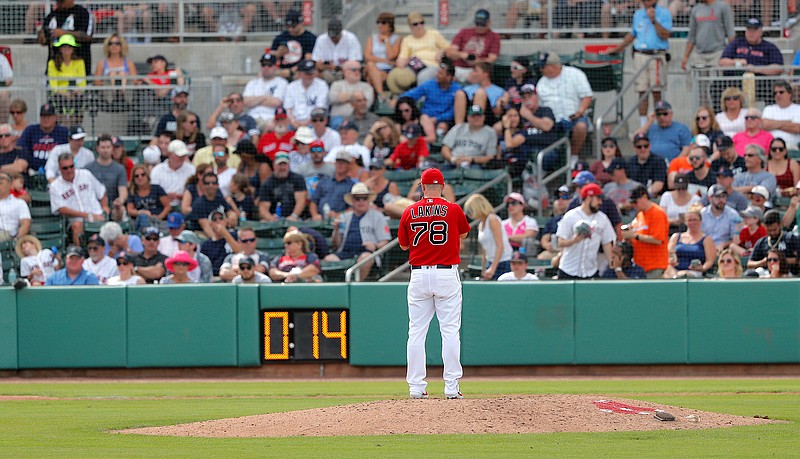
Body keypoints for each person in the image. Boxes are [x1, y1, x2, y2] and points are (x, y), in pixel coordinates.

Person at [398, 167, 470, 399]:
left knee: (416, 332)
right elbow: (463, 234)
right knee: (449, 331)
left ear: (422, 186)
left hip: (419, 274)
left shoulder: (409, 211)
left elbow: (403, 245)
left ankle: (416, 387)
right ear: (442, 185)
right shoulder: (453, 209)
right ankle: (451, 386)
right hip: (446, 273)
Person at [607, 0, 672, 127]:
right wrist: (617, 48)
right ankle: (643, 125)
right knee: (642, 91)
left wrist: (653, 20)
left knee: (657, 91)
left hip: (656, 55)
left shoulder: (664, 13)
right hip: (640, 54)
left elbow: (665, 35)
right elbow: (633, 34)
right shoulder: (638, 14)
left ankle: (658, 123)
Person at [324, 182, 392, 280]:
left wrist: (375, 246)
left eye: (364, 198)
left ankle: (356, 286)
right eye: (357, 198)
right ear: (352, 201)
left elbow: (385, 241)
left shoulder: (378, 216)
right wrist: (336, 230)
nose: (361, 201)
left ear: (368, 200)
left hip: (366, 252)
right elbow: (336, 245)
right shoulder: (344, 217)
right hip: (346, 252)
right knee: (328, 259)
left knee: (365, 258)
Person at [535, 51, 593, 161]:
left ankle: (574, 156)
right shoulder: (541, 83)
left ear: (552, 66)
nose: (540, 70)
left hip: (574, 116)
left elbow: (587, 96)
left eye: (543, 67)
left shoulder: (575, 74)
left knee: (581, 126)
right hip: (553, 121)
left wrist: (579, 112)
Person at [556, 183, 616, 279]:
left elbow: (607, 243)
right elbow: (560, 243)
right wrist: (574, 240)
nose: (600, 202)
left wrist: (612, 264)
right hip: (568, 270)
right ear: (589, 197)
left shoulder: (603, 219)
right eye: (598, 198)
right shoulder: (570, 216)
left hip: (590, 271)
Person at [49, 152, 108, 245]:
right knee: (77, 226)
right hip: (76, 219)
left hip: (97, 214)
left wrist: (105, 207)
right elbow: (61, 208)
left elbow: (101, 191)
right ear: (59, 168)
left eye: (71, 166)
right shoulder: (55, 186)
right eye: (65, 168)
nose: (69, 170)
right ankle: (80, 255)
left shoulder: (86, 174)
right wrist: (86, 215)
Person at [719, 18, 784, 102]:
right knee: (716, 85)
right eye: (749, 30)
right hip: (735, 81)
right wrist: (736, 62)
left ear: (761, 32)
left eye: (754, 30)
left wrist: (755, 68)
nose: (751, 33)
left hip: (761, 82)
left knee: (775, 88)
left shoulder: (769, 47)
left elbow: (779, 68)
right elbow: (722, 62)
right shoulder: (737, 43)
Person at [388, 12, 453, 93]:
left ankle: (421, 100)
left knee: (423, 76)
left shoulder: (433, 34)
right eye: (415, 24)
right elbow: (402, 58)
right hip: (415, 66)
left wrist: (442, 52)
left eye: (421, 23)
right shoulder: (407, 40)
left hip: (432, 65)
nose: (419, 26)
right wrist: (403, 61)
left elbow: (449, 48)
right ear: (410, 26)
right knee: (397, 75)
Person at [400, 60, 461, 144]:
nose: (437, 75)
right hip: (425, 118)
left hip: (444, 120)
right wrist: (399, 99)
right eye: (438, 72)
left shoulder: (457, 90)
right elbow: (412, 94)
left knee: (442, 127)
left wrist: (437, 119)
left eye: (440, 74)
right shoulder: (430, 84)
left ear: (449, 77)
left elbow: (453, 111)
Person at [623, 185, 669, 278]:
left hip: (654, 266)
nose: (634, 205)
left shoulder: (657, 213)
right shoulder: (640, 215)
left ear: (644, 197)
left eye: (635, 202)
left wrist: (635, 236)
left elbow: (657, 240)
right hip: (640, 266)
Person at [464, 193, 513, 281]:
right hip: (490, 262)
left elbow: (500, 246)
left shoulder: (492, 219)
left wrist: (493, 268)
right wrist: (484, 269)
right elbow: (484, 250)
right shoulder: (481, 224)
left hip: (503, 262)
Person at [680, 0, 735, 75]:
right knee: (698, 84)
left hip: (718, 53)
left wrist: (731, 54)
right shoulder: (696, 9)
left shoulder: (723, 7)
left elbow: (730, 33)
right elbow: (691, 35)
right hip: (699, 54)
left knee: (717, 84)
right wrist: (685, 57)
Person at [39, 0, 94, 76]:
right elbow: (43, 41)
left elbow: (87, 36)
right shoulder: (51, 15)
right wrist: (42, 37)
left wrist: (63, 33)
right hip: (55, 68)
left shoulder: (83, 13)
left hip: (79, 68)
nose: (59, 2)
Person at [18, 102, 69, 179]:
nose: (46, 119)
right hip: (33, 172)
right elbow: (21, 148)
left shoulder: (63, 132)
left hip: (57, 173)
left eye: (49, 116)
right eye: (43, 116)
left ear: (55, 117)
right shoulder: (31, 130)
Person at [664, 204, 717, 278]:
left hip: (694, 271)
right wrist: (671, 260)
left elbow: (709, 261)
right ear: (685, 222)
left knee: (685, 275)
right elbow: (668, 254)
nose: (692, 223)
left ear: (700, 221)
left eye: (695, 220)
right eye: (689, 220)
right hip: (674, 270)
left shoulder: (706, 239)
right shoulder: (676, 237)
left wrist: (702, 268)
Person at [449, 9, 500, 84]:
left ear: (488, 23)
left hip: (475, 69)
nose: (479, 27)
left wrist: (478, 62)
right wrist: (462, 55)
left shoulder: (494, 37)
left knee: (476, 75)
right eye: (477, 24)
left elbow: (492, 58)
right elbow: (451, 52)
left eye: (482, 25)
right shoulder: (464, 32)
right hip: (458, 67)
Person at [85, 134, 127, 222]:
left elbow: (123, 190)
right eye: (103, 147)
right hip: (93, 206)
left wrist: (120, 200)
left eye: (108, 147)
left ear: (112, 148)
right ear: (97, 148)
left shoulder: (120, 169)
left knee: (121, 210)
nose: (105, 150)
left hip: (113, 205)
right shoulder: (88, 169)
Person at [242, 52, 288, 132]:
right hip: (252, 117)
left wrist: (255, 99)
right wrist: (265, 97)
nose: (266, 68)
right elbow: (246, 102)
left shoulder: (281, 82)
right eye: (263, 65)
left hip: (271, 117)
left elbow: (276, 102)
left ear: (275, 67)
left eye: (269, 65)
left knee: (272, 126)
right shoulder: (252, 83)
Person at [257, 152, 307, 222]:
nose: (282, 167)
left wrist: (294, 216)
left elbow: (301, 201)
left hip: (296, 218)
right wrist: (270, 218)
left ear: (289, 165)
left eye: (285, 164)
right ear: (274, 165)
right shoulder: (267, 184)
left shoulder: (298, 179)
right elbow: (263, 207)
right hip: (275, 219)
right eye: (280, 164)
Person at [453, 62, 505, 127]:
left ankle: (475, 127)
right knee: (459, 93)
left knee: (480, 93)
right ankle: (458, 129)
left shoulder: (499, 91)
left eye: (476, 71)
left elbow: (498, 112)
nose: (473, 73)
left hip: (486, 117)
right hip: (467, 115)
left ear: (486, 73)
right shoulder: (467, 88)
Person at [311, 19, 363, 84]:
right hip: (326, 71)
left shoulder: (351, 38)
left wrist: (338, 67)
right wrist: (324, 66)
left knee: (353, 72)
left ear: (341, 31)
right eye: (332, 35)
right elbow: (316, 61)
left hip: (344, 71)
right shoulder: (321, 39)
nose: (333, 37)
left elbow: (355, 63)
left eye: (336, 35)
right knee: (314, 73)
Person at [310, 151, 357, 221]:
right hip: (320, 219)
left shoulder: (352, 186)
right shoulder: (323, 181)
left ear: (349, 165)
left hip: (340, 221)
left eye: (343, 162)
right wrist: (315, 215)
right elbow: (314, 202)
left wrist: (339, 215)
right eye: (338, 162)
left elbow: (354, 207)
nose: (340, 165)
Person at [364, 12, 400, 100]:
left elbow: (391, 55)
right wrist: (385, 60)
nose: (380, 25)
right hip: (372, 67)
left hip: (386, 70)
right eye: (378, 22)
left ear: (390, 25)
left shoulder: (397, 39)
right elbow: (367, 56)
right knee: (370, 65)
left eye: (383, 23)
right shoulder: (372, 38)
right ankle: (382, 95)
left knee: (371, 78)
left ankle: (374, 99)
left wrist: (387, 41)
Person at [270, 10, 317, 79]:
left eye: (293, 26)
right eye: (288, 26)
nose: (290, 29)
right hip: (282, 70)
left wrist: (291, 71)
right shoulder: (281, 37)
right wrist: (277, 54)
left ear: (300, 23)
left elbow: (309, 60)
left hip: (301, 70)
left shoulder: (310, 38)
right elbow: (269, 54)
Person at [150, 139, 196, 208]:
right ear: (170, 154)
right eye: (179, 155)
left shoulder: (192, 170)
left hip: (184, 206)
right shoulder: (157, 170)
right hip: (161, 207)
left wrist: (185, 196)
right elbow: (153, 191)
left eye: (184, 155)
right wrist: (165, 196)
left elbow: (196, 191)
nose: (182, 157)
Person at [328, 62, 374, 130]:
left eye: (359, 70)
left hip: (360, 119)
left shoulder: (366, 87)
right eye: (354, 69)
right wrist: (354, 96)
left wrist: (343, 97)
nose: (357, 72)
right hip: (339, 118)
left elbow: (367, 103)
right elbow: (332, 98)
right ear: (344, 72)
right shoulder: (337, 85)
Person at [284, 60, 329, 128]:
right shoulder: (291, 86)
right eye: (307, 73)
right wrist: (293, 121)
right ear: (300, 74)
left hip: (313, 122)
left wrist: (306, 123)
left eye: (312, 73)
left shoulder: (322, 85)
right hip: (293, 123)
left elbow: (320, 109)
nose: (310, 76)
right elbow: (288, 108)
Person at [126, 164, 169, 231]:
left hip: (158, 220)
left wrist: (159, 217)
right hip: (140, 222)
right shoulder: (132, 192)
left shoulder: (157, 188)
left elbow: (167, 206)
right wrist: (141, 212)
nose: (140, 177)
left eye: (143, 175)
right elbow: (130, 210)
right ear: (133, 179)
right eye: (136, 176)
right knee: (143, 218)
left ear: (147, 176)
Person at [761, 81, 800, 151]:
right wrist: (788, 123)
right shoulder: (768, 109)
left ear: (790, 94)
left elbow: (797, 128)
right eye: (775, 93)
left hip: (792, 147)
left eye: (781, 92)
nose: (778, 95)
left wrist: (773, 124)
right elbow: (765, 125)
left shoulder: (798, 109)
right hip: (770, 147)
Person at [701, 184, 742, 252]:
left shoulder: (733, 214)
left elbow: (736, 239)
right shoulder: (702, 214)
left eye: (723, 196)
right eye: (717, 197)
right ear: (710, 198)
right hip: (704, 248)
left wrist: (723, 244)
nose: (721, 200)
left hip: (725, 250)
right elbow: (698, 235)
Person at [626, 133, 667, 197]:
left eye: (646, 146)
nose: (643, 149)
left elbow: (658, 185)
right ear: (634, 148)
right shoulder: (630, 162)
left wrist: (643, 194)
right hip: (633, 196)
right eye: (639, 147)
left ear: (649, 146)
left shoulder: (659, 161)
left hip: (652, 196)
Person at [0, 171, 30, 241]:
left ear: (10, 184)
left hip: (7, 234)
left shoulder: (19, 203)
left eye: (2, 178)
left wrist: (17, 240)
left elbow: (26, 224)